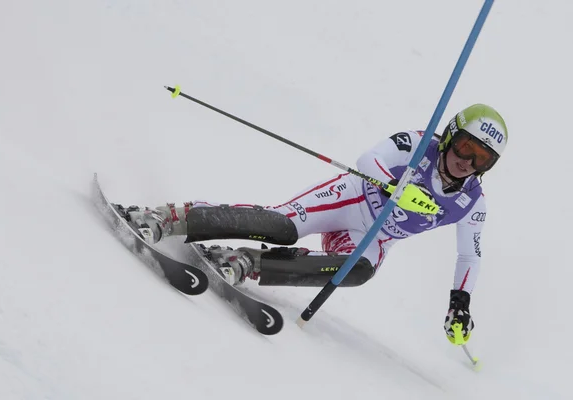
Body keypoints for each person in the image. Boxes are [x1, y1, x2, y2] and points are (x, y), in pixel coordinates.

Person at [120, 103, 508, 344]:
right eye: (465, 149)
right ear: (451, 138)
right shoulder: (419, 144)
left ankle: (248, 263)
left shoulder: (471, 202)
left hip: (373, 237)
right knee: (281, 226)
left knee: (356, 272)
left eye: (482, 160)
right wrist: (393, 187)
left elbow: (469, 256)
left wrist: (461, 303)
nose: (467, 163)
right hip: (348, 201)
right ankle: (170, 217)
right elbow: (367, 158)